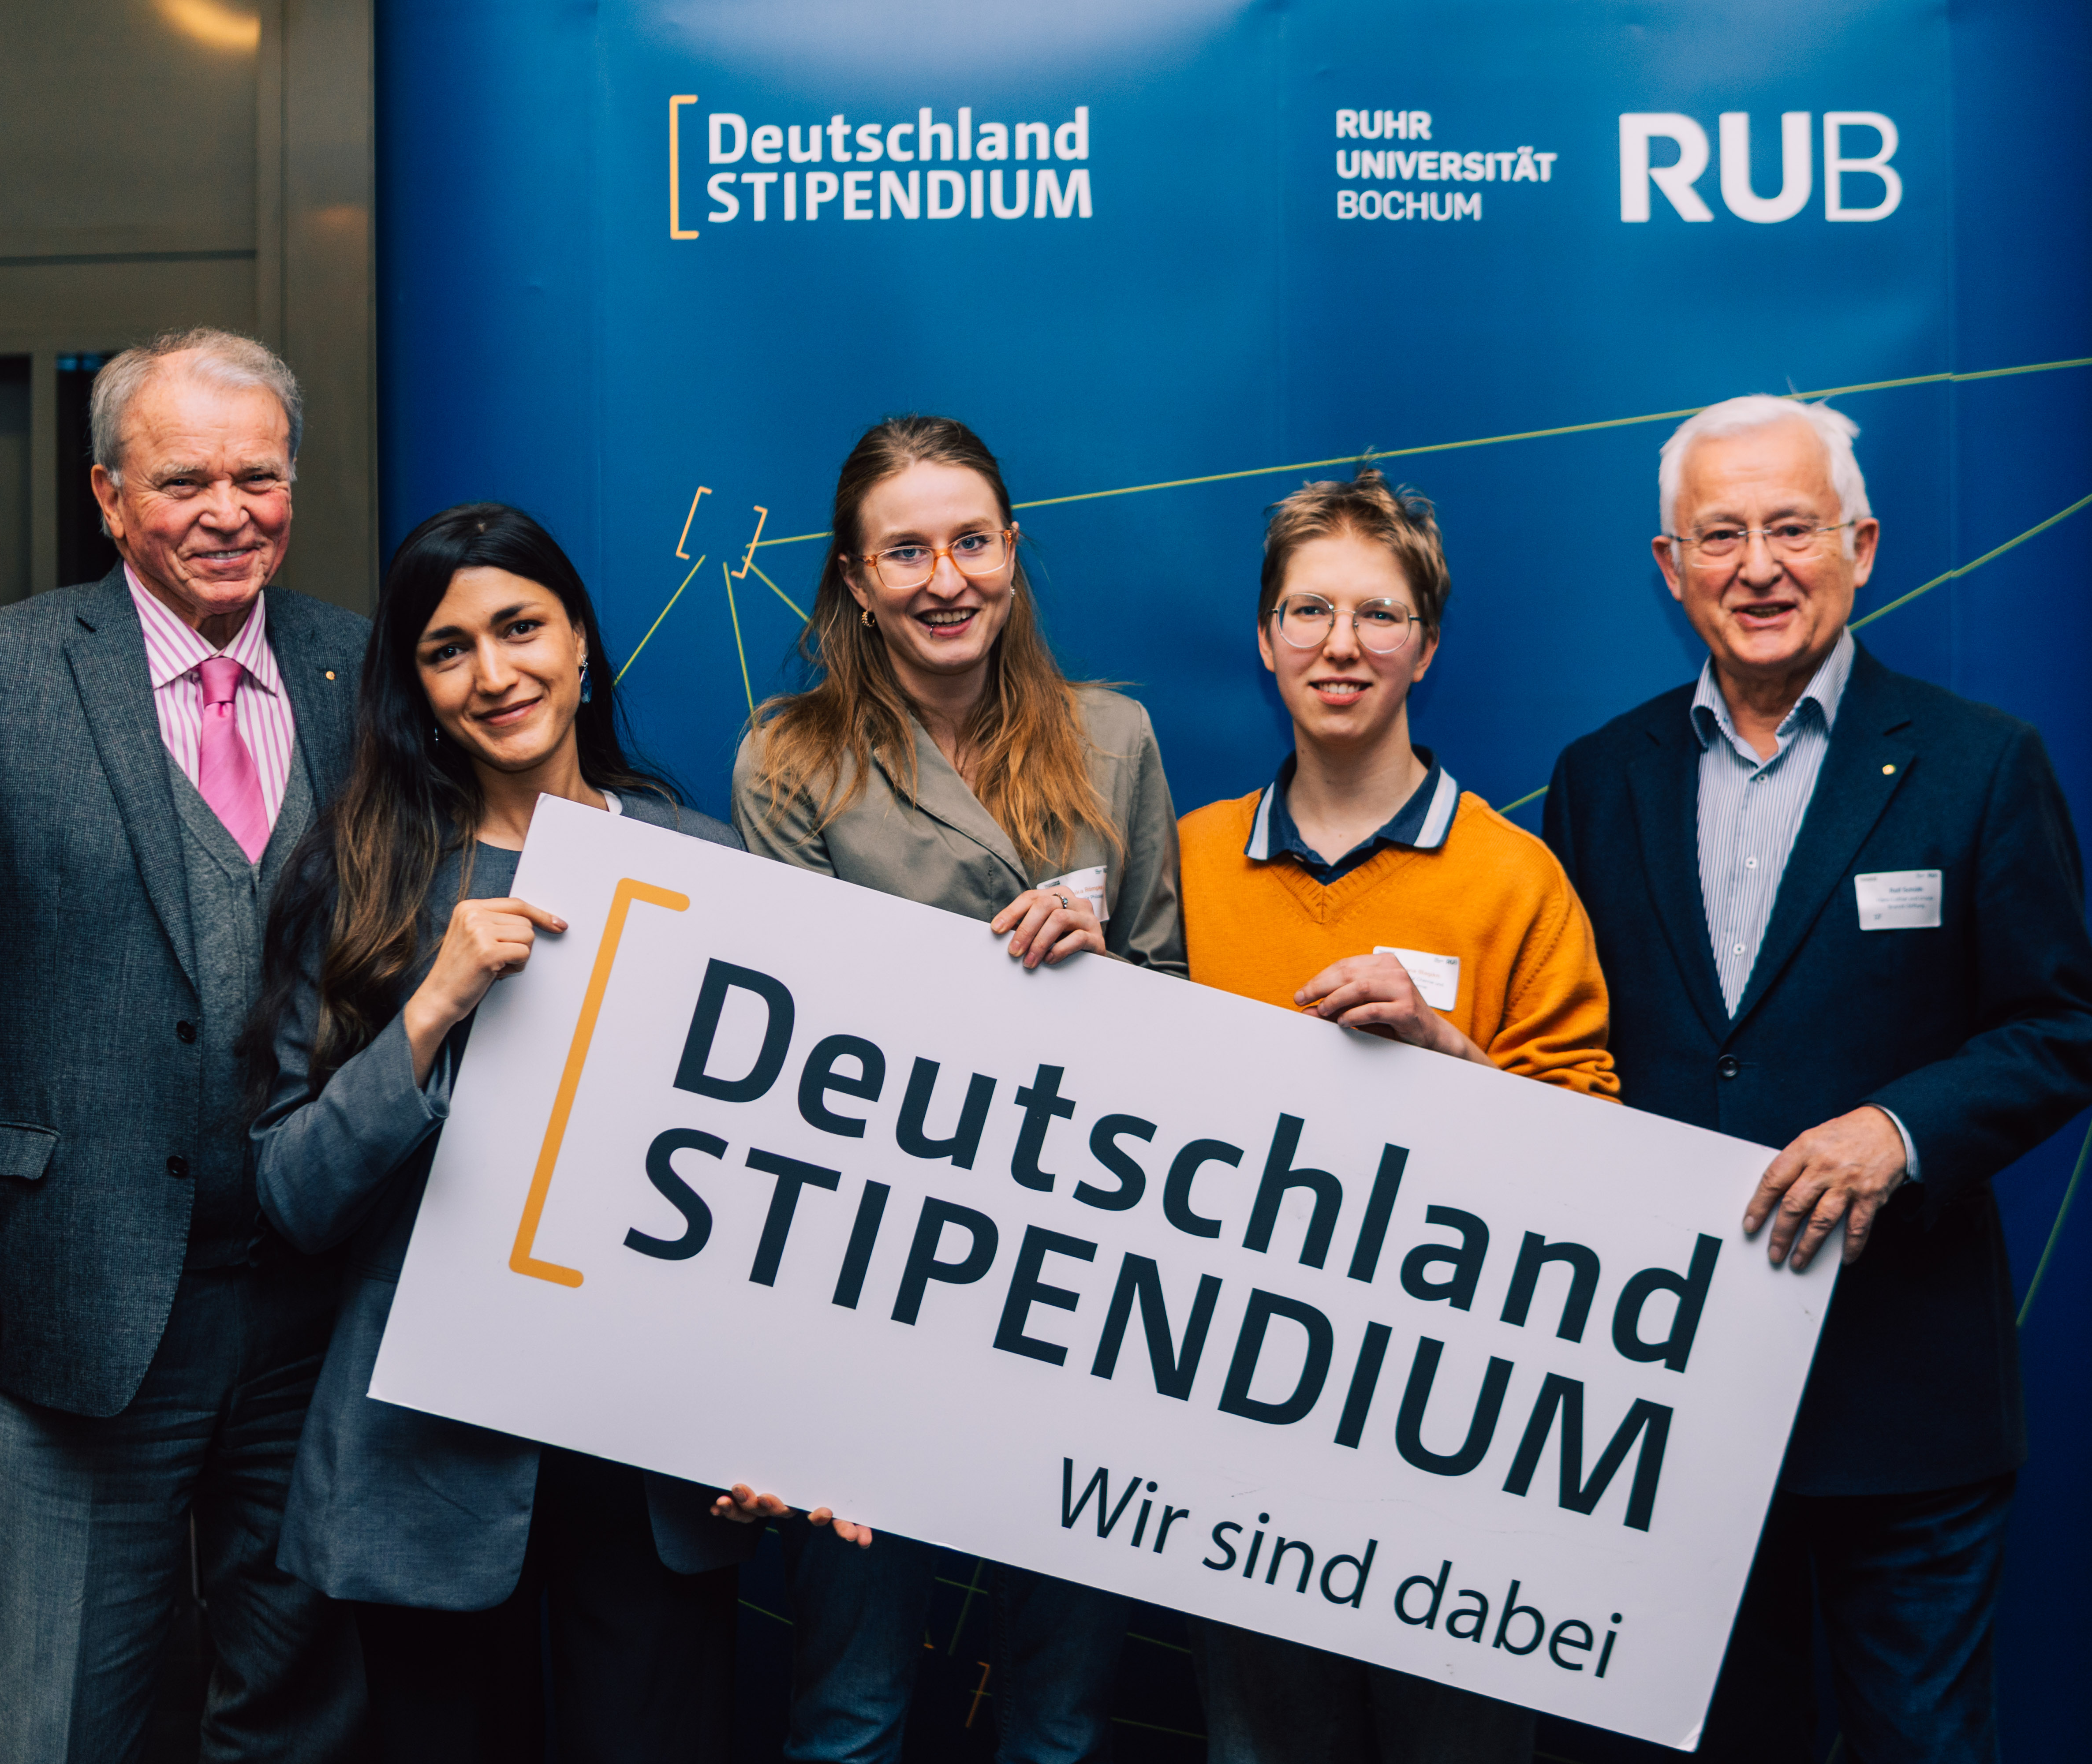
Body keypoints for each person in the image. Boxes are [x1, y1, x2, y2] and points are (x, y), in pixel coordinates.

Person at [1542, 396, 2092, 1761]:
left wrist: (1899, 1129)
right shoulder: (1600, 778)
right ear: (1670, 567)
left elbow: (2063, 1027)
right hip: (1666, 1398)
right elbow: (1567, 1047)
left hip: (1902, 1393)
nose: (1759, 566)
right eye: (1720, 535)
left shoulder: (1981, 764)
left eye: (1793, 528)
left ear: (1861, 547)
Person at [0, 328, 366, 1759]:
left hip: (316, 1308)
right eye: (183, 481)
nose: (228, 511)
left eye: (258, 475)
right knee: (69, 1717)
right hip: (76, 1300)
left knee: (301, 1711)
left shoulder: (358, 669)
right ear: (109, 498)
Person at [246, 501, 758, 1758]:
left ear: (580, 643)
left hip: (651, 1456)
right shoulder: (360, 879)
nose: (494, 674)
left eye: (521, 628)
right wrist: (430, 1009)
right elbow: (293, 1196)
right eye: (448, 649)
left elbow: (775, 1187)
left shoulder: (710, 867)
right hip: (424, 1462)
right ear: (417, 692)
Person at [727, 413, 1185, 1763]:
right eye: (907, 552)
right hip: (877, 1285)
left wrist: (1102, 973)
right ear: (856, 580)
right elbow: (797, 1043)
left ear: (1014, 552)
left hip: (1074, 1278)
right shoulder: (789, 759)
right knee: (852, 1708)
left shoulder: (1115, 739)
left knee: (1062, 1718)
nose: (946, 580)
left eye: (972, 543)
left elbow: (1176, 1016)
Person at [1175, 468, 1614, 1764]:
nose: (1342, 645)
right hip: (1238, 1437)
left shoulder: (1518, 880)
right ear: (1266, 641)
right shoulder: (1185, 864)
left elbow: (1600, 1167)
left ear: (1425, 647)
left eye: (1379, 614)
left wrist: (1444, 1054)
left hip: (1457, 1455)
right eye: (1309, 612)